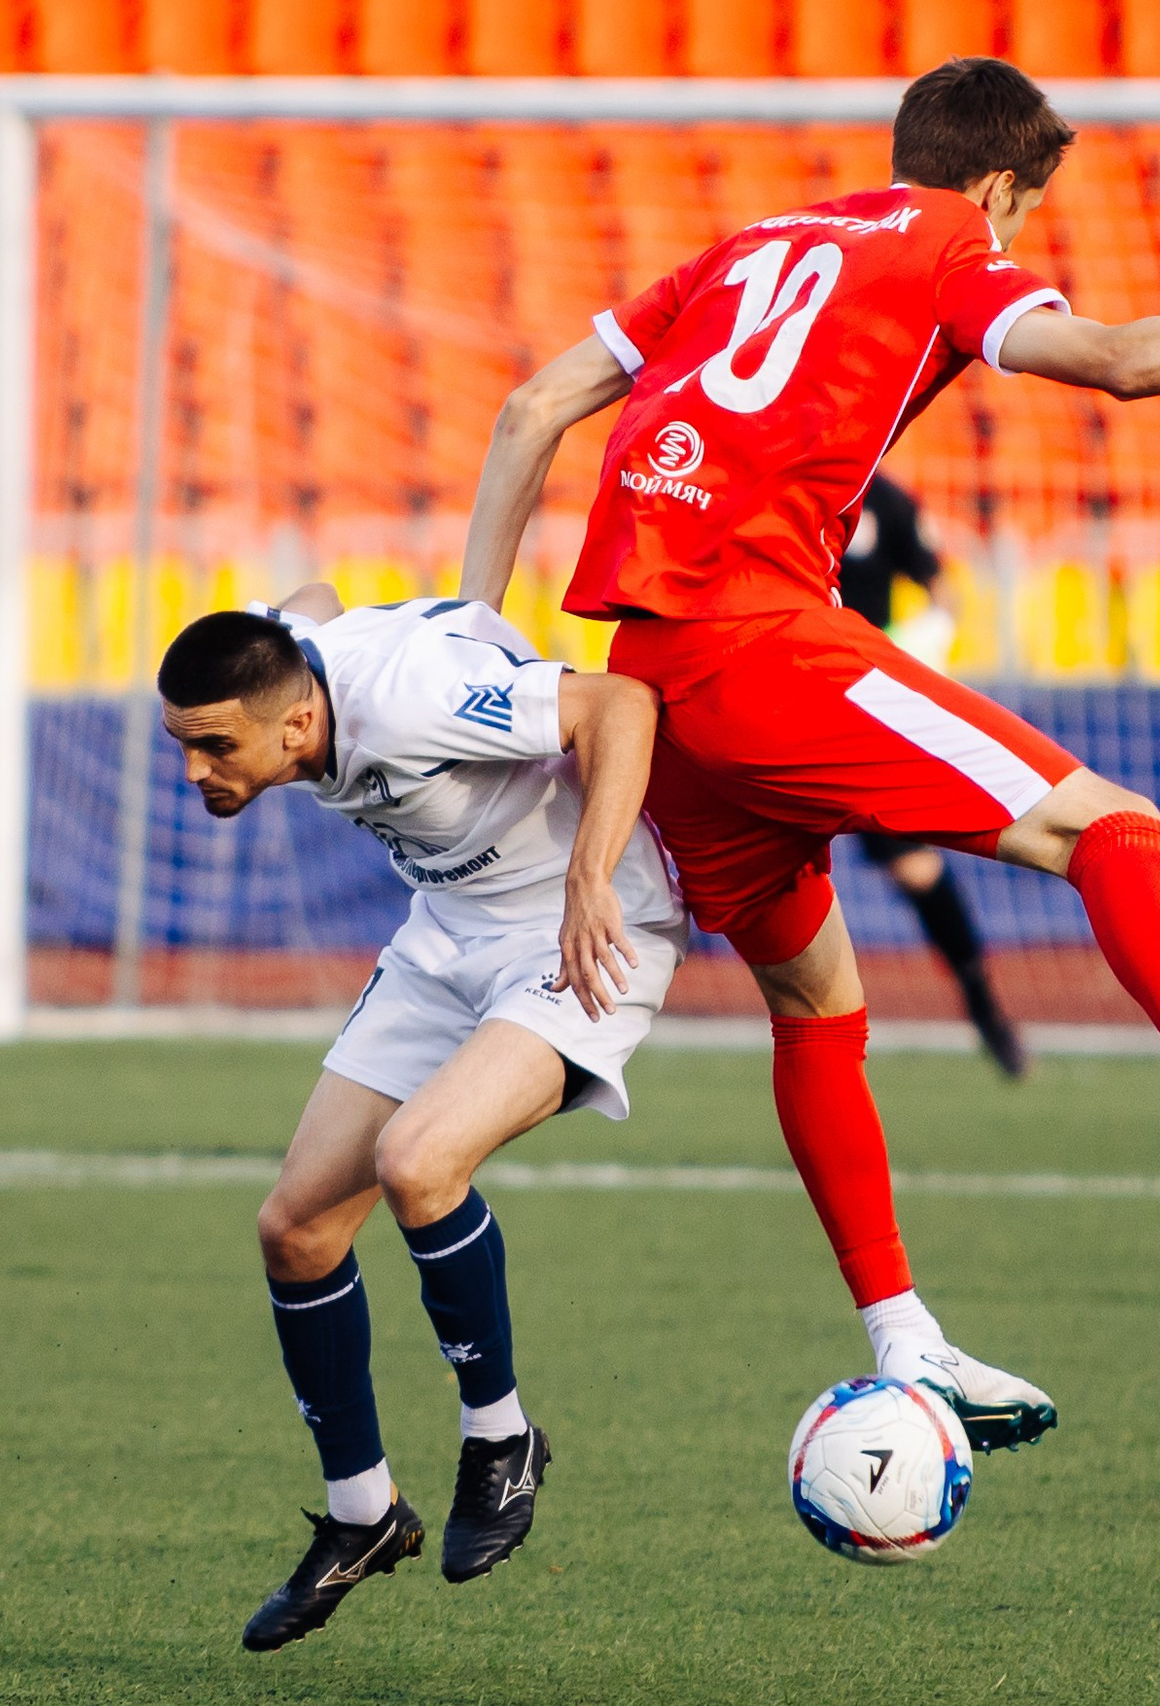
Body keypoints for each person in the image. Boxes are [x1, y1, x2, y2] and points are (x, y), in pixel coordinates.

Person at [455, 58, 1160, 1382]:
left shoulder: (748, 242)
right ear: (998, 187)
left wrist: (467, 628)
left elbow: (530, 409)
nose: (1019, 237)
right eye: (1026, 214)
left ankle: (907, 1342)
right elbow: (1115, 361)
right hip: (758, 645)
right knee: (1112, 826)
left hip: (644, 684)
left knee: (817, 1005)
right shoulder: (947, 245)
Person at [155, 589, 679, 1650]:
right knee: (296, 1228)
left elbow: (619, 704)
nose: (196, 768)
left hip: (572, 933)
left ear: (296, 723)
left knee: (417, 1160)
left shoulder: (406, 703)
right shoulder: (294, 672)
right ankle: (362, 1512)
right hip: (445, 936)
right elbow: (305, 603)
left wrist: (588, 878)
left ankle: (502, 1435)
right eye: (182, 744)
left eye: (214, 745)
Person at [835, 471, 1028, 1078]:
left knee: (915, 869)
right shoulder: (782, 480)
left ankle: (981, 997)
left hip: (861, 714)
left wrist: (916, 646)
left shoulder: (886, 501)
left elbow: (943, 594)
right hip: (778, 691)